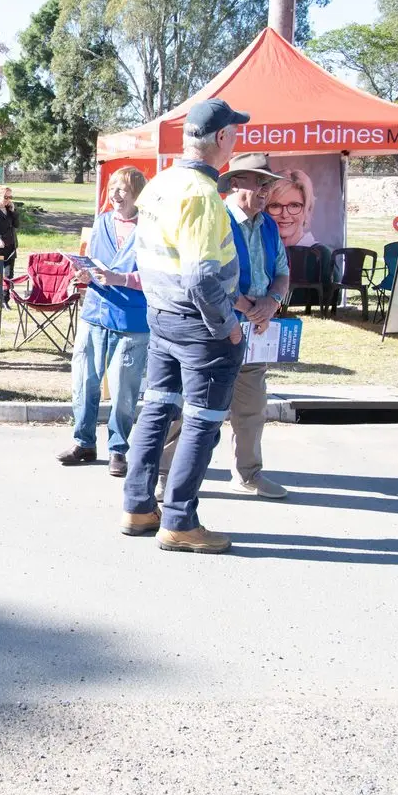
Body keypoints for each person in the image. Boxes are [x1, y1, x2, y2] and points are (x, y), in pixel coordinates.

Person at [120, 98, 248, 555]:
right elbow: (200, 275)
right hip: (199, 328)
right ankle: (179, 521)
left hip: (163, 317)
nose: (236, 138)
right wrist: (228, 324)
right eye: (234, 132)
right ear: (220, 139)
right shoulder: (201, 194)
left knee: (156, 408)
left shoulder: (160, 183)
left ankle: (137, 507)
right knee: (202, 423)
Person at [156, 154, 292, 500]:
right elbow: (204, 277)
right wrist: (248, 306)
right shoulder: (214, 218)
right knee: (192, 406)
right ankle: (164, 476)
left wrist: (272, 302)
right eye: (259, 182)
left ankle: (248, 474)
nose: (266, 190)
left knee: (252, 407)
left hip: (254, 330)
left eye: (268, 183)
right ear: (235, 183)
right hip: (214, 329)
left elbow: (281, 272)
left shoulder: (268, 225)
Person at [57, 167, 150, 477]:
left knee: (124, 389)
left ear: (137, 193)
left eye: (122, 189)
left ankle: (118, 449)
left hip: (132, 319)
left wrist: (119, 278)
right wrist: (83, 275)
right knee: (84, 381)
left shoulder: (151, 228)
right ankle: (83, 441)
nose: (115, 194)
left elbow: (155, 276)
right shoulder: (101, 222)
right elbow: (94, 263)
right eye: (112, 188)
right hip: (95, 313)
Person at [268, 169, 316, 246]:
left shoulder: (319, 254)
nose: (284, 215)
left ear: (307, 209)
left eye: (294, 206)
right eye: (275, 206)